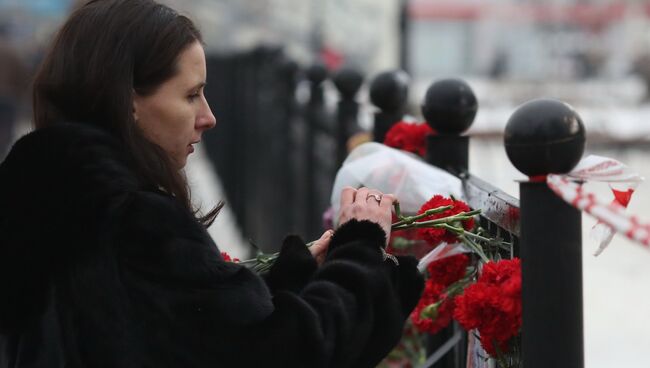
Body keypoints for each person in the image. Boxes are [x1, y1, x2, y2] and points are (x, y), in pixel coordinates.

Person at [0, 1, 423, 367]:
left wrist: (296, 275)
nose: (209, 116)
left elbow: (187, 334)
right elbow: (289, 352)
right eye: (191, 95)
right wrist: (360, 250)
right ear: (127, 99)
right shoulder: (133, 223)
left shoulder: (47, 194)